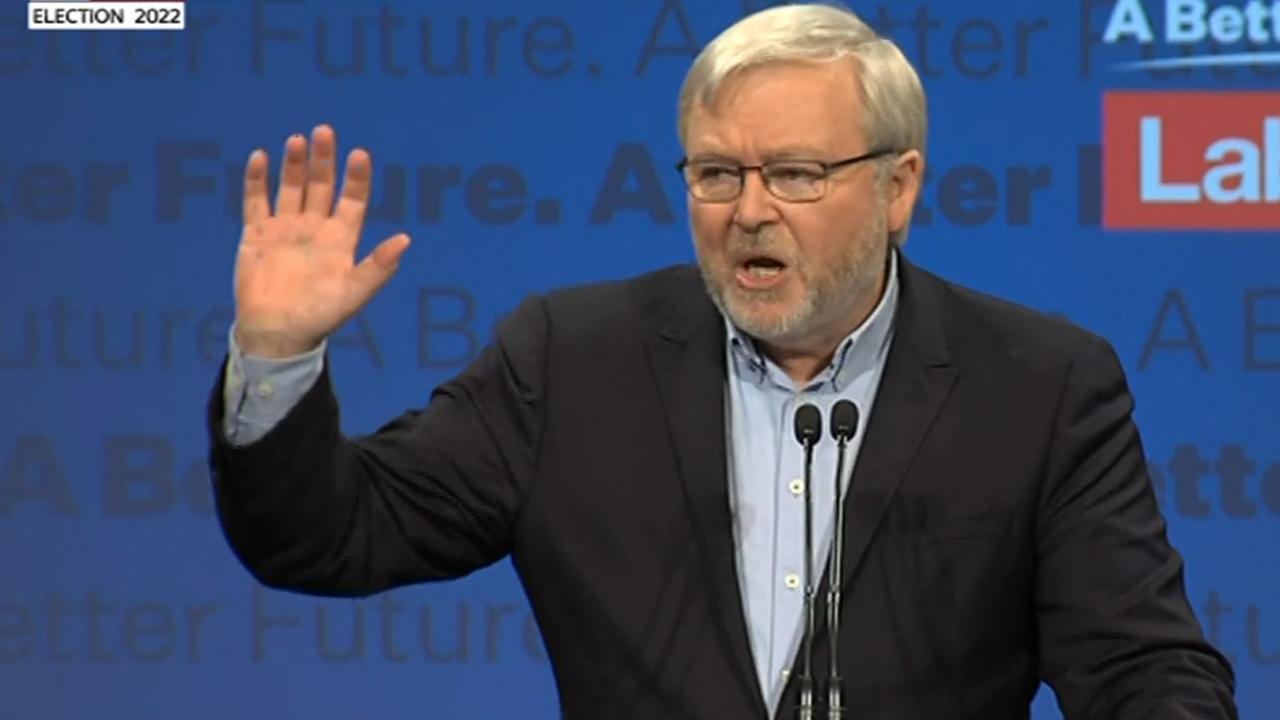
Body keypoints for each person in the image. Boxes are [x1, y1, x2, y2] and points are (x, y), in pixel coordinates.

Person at [206, 4, 1237, 718]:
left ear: (897, 187)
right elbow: (325, 537)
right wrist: (276, 354)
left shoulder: (1039, 385)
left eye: (792, 173)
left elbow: (1139, 667)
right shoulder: (572, 362)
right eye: (714, 174)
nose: (746, 211)